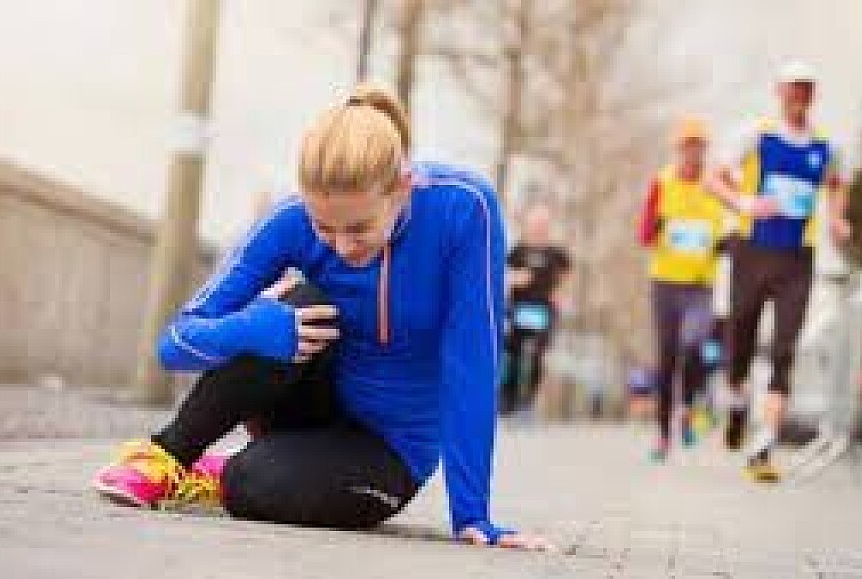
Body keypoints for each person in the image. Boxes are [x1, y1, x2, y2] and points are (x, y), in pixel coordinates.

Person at [92, 84, 549, 550]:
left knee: (251, 482)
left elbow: (471, 361)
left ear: (402, 189)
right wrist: (253, 327)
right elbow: (174, 344)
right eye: (324, 228)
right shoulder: (290, 219)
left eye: (359, 229)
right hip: (310, 401)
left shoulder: (464, 209)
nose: (342, 246)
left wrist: (473, 514)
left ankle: (227, 472)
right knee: (292, 306)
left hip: (388, 452)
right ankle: (165, 460)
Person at [713, 61, 851, 482]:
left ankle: (763, 447)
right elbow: (713, 179)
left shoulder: (826, 147)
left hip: (797, 259)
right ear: (779, 92)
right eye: (792, 90)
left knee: (784, 351)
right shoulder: (757, 136)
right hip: (751, 251)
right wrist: (745, 203)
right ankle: (738, 404)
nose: (798, 98)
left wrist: (836, 219)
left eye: (805, 91)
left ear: (813, 96)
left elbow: (838, 183)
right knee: (739, 343)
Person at [637, 116, 726, 462]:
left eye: (698, 146)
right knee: (666, 357)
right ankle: (663, 435)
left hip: (700, 285)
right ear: (678, 149)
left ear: (705, 150)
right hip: (665, 283)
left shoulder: (716, 184)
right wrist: (658, 226)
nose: (693, 152)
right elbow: (644, 235)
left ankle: (686, 407)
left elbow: (734, 221)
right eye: (687, 146)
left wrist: (725, 243)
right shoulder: (661, 183)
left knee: (693, 344)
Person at [501, 202, 571, 415]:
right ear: (528, 225)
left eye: (543, 224)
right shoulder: (517, 251)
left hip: (544, 310)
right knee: (512, 353)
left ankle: (528, 402)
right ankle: (508, 400)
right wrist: (515, 278)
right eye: (535, 224)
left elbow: (567, 276)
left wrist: (561, 292)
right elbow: (504, 274)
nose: (539, 228)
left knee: (538, 355)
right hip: (519, 308)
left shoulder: (556, 253)